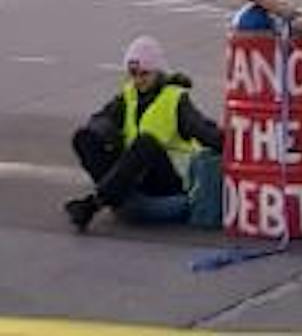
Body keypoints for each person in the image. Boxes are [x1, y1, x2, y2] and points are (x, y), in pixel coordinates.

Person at [65, 35, 223, 231]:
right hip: (133, 177)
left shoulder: (175, 99)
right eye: (133, 73)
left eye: (144, 74)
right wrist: (106, 133)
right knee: (84, 137)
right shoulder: (128, 95)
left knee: (146, 143)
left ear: (158, 71)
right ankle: (112, 193)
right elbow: (100, 119)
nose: (138, 80)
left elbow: (205, 132)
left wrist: (233, 137)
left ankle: (94, 204)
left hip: (167, 183)